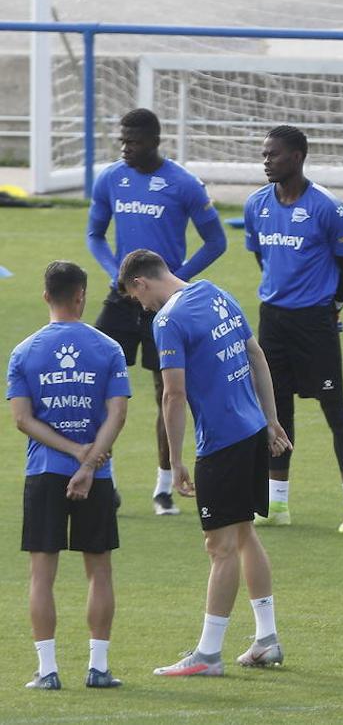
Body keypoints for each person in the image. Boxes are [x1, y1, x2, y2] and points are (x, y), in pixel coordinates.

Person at [117, 249, 291, 677]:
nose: (142, 306)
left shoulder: (168, 321)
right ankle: (266, 639)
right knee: (244, 533)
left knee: (220, 547)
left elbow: (172, 395)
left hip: (222, 442)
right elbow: (255, 355)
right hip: (251, 430)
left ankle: (209, 654)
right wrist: (271, 420)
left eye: (136, 297)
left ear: (140, 283)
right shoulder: (214, 292)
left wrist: (174, 461)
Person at [86, 107, 226, 516]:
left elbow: (216, 241)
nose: (126, 148)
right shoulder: (111, 178)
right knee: (98, 383)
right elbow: (94, 234)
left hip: (164, 305)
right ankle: (101, 479)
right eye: (123, 141)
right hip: (121, 298)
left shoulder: (183, 184)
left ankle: (164, 485)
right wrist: (118, 274)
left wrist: (174, 279)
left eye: (134, 141)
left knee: (166, 390)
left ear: (155, 141)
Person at [9, 261, 130, 690]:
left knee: (42, 575)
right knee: (99, 570)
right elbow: (118, 413)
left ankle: (48, 670)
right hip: (97, 477)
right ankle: (98, 668)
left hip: (44, 473)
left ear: (46, 296)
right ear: (81, 295)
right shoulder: (109, 348)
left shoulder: (23, 352)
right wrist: (89, 460)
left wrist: (73, 453)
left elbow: (23, 420)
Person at [243, 125, 343, 533]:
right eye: (264, 154)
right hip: (273, 320)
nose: (266, 161)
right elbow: (262, 258)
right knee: (275, 410)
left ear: (296, 157)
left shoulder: (328, 208)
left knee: (335, 409)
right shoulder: (255, 205)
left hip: (315, 322)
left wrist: (332, 307)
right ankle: (277, 504)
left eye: (272, 154)